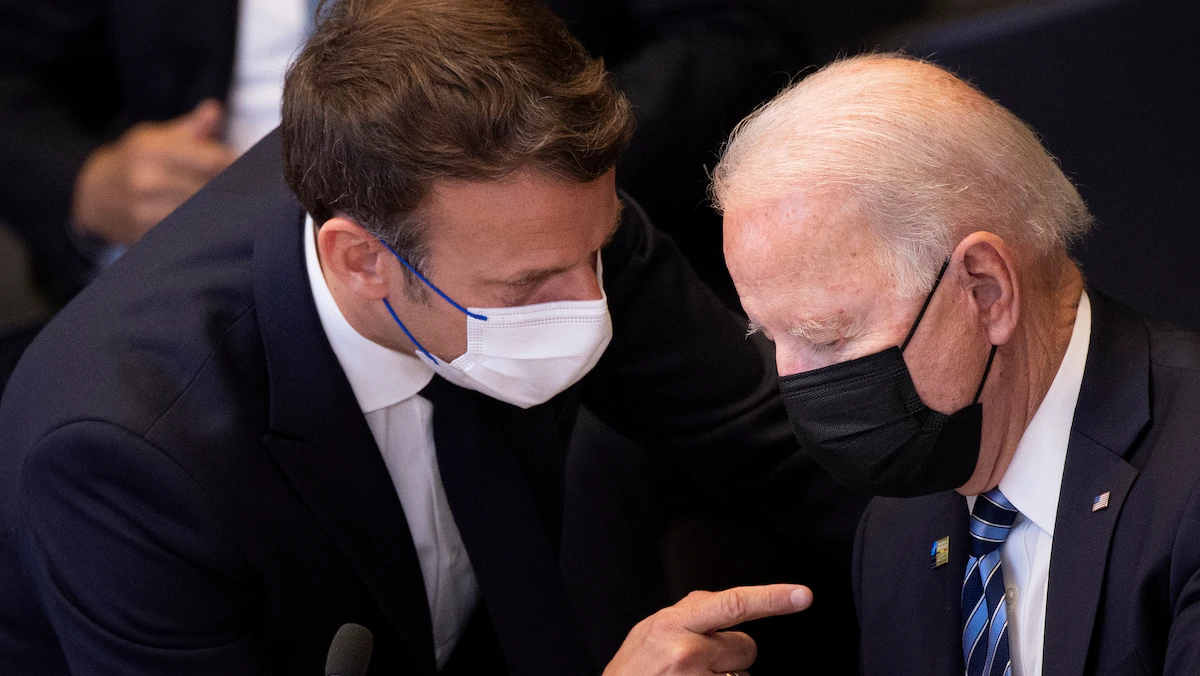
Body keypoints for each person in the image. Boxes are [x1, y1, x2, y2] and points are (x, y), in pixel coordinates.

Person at [0, 1, 862, 673]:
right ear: (360, 261)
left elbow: (788, 447)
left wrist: (948, 560)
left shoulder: (543, 228)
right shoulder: (129, 456)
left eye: (596, 254)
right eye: (526, 288)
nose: (589, 304)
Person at [714, 53, 1200, 676]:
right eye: (770, 336)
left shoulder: (1187, 482)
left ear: (985, 290)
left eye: (828, 338)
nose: (795, 381)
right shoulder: (897, 529)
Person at [0, 0, 798, 305]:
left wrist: (539, 160)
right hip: (176, 271)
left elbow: (734, 36)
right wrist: (84, 180)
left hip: (516, 273)